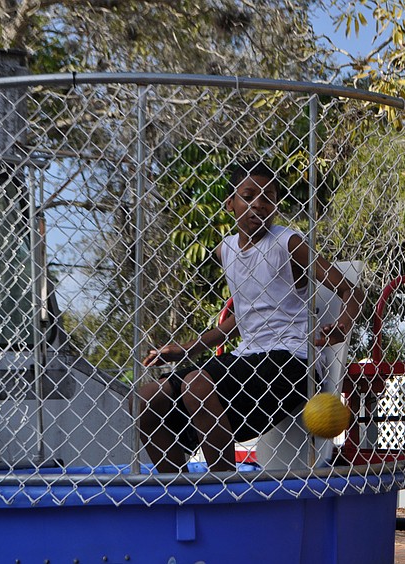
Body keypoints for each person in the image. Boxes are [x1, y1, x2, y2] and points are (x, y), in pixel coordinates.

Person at [137, 161, 361, 473]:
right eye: (249, 196)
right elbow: (242, 318)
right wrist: (187, 349)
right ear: (230, 203)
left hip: (293, 358)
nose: (259, 204)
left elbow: (351, 290)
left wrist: (342, 326)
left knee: (196, 384)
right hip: (249, 356)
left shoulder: (288, 243)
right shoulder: (226, 250)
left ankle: (224, 488)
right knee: (147, 398)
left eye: (268, 198)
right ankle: (178, 489)